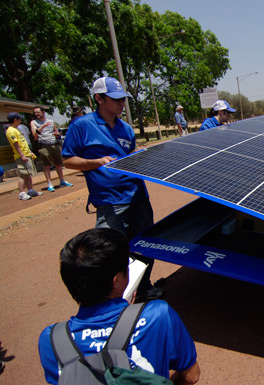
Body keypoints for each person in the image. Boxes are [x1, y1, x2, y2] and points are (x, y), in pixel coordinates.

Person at [38, 228, 201, 384]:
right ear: (116, 281)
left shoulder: (51, 339)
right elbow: (191, 376)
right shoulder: (157, 315)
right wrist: (129, 316)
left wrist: (126, 317)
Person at [62, 76, 161, 301]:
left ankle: (144, 288)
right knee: (110, 251)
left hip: (137, 196)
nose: (121, 103)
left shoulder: (125, 128)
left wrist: (141, 155)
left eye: (122, 99)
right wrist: (94, 163)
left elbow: (130, 157)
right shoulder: (82, 126)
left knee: (143, 246)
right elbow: (68, 160)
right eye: (115, 99)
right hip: (109, 202)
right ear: (98, 99)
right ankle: (112, 299)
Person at [31, 106, 74, 192]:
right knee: (47, 165)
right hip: (43, 145)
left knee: (58, 164)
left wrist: (57, 134)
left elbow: (57, 132)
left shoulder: (51, 121)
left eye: (38, 112)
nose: (37, 114)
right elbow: (34, 134)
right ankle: (49, 184)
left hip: (54, 144)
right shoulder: (33, 122)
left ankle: (62, 181)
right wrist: (43, 126)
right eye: (35, 113)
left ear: (43, 112)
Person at [5, 112, 43, 200]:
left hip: (26, 154)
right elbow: (16, 144)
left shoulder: (16, 129)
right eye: (19, 119)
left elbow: (23, 143)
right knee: (23, 175)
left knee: (28, 174)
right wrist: (22, 155)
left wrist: (30, 152)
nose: (20, 120)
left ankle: (30, 190)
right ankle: (22, 193)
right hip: (21, 156)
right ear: (15, 120)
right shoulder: (11, 130)